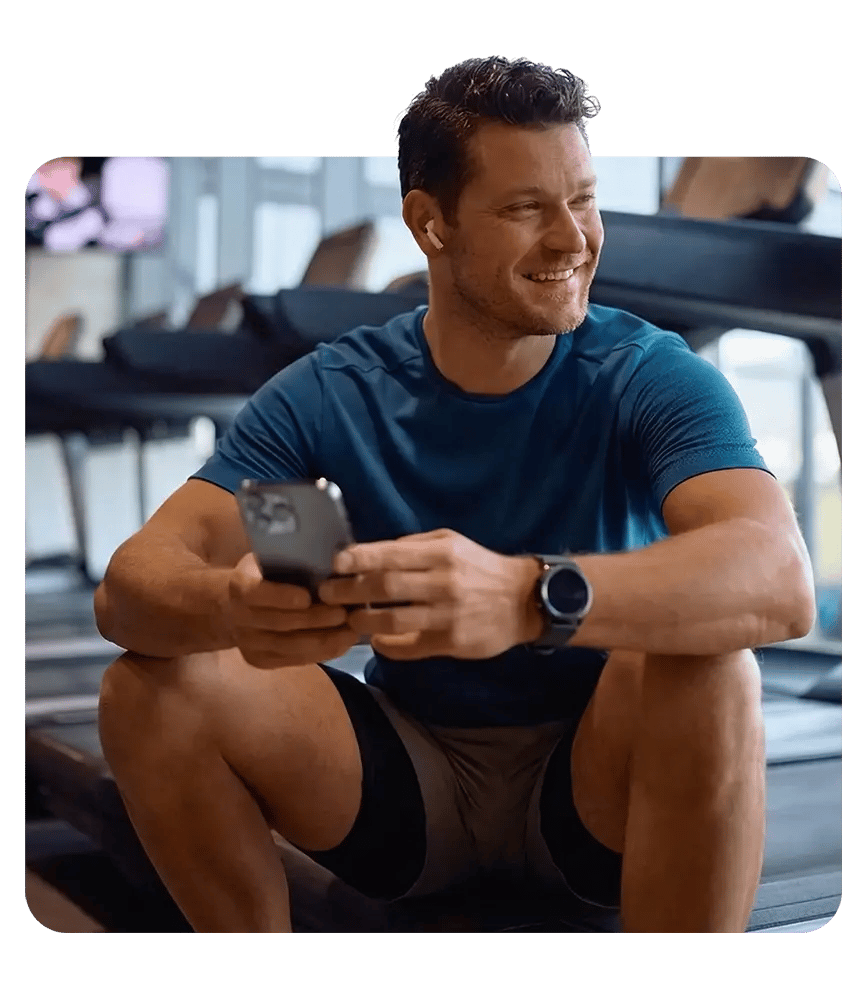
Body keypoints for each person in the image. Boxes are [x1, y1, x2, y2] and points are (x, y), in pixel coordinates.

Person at [95, 57, 815, 933]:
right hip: (410, 788)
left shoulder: (649, 372)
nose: (571, 238)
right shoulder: (329, 390)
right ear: (429, 225)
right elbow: (132, 587)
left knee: (711, 662)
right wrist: (233, 607)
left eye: (583, 200)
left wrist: (526, 597)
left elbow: (779, 579)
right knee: (148, 688)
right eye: (525, 208)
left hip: (598, 784)